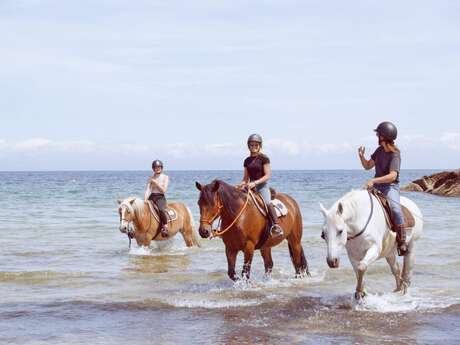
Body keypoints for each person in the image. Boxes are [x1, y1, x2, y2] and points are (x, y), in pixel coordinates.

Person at [358, 121, 408, 256]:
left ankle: (402, 241)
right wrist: (361, 157)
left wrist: (373, 180)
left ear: (383, 136)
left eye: (378, 135)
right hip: (377, 185)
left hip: (390, 186)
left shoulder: (395, 154)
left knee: (396, 209)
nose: (377, 137)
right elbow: (368, 166)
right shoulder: (379, 151)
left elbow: (393, 176)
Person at [237, 134, 283, 237]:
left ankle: (276, 226)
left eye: (256, 145)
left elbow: (267, 175)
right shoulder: (246, 161)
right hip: (250, 187)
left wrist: (255, 183)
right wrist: (239, 185)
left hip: (262, 186)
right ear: (248, 146)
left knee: (267, 203)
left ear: (260, 145)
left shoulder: (264, 158)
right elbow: (245, 178)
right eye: (251, 145)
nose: (254, 147)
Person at [144, 160, 170, 237]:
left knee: (161, 209)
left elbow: (164, 190)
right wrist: (145, 200)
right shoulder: (151, 178)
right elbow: (148, 189)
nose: (157, 168)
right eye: (155, 167)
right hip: (152, 196)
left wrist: (155, 183)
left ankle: (165, 226)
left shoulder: (165, 177)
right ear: (153, 169)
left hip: (160, 197)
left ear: (161, 168)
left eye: (159, 167)